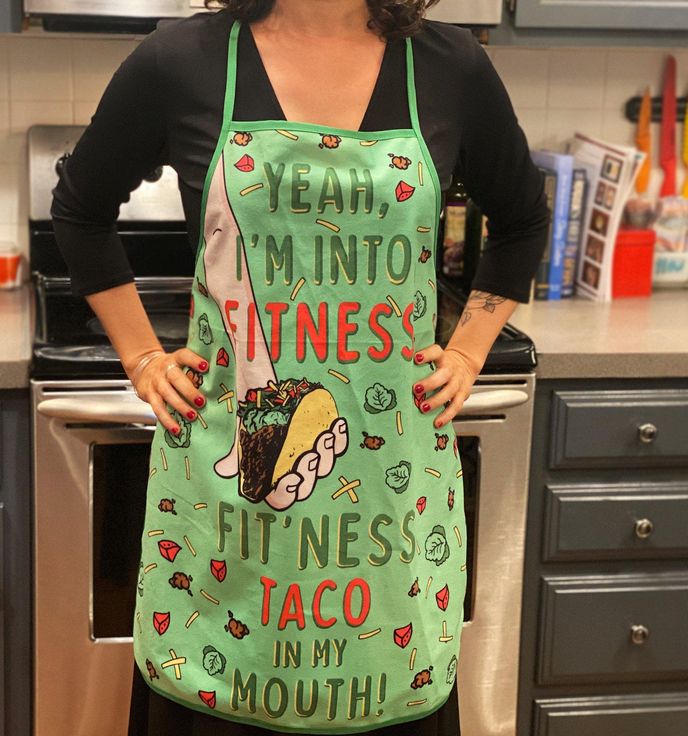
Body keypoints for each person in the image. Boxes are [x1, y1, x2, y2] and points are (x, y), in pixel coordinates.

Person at [50, 1, 549, 734]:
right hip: (231, 510)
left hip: (386, 506)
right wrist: (142, 354)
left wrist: (472, 345)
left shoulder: (451, 68)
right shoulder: (180, 60)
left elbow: (524, 217)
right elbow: (80, 206)